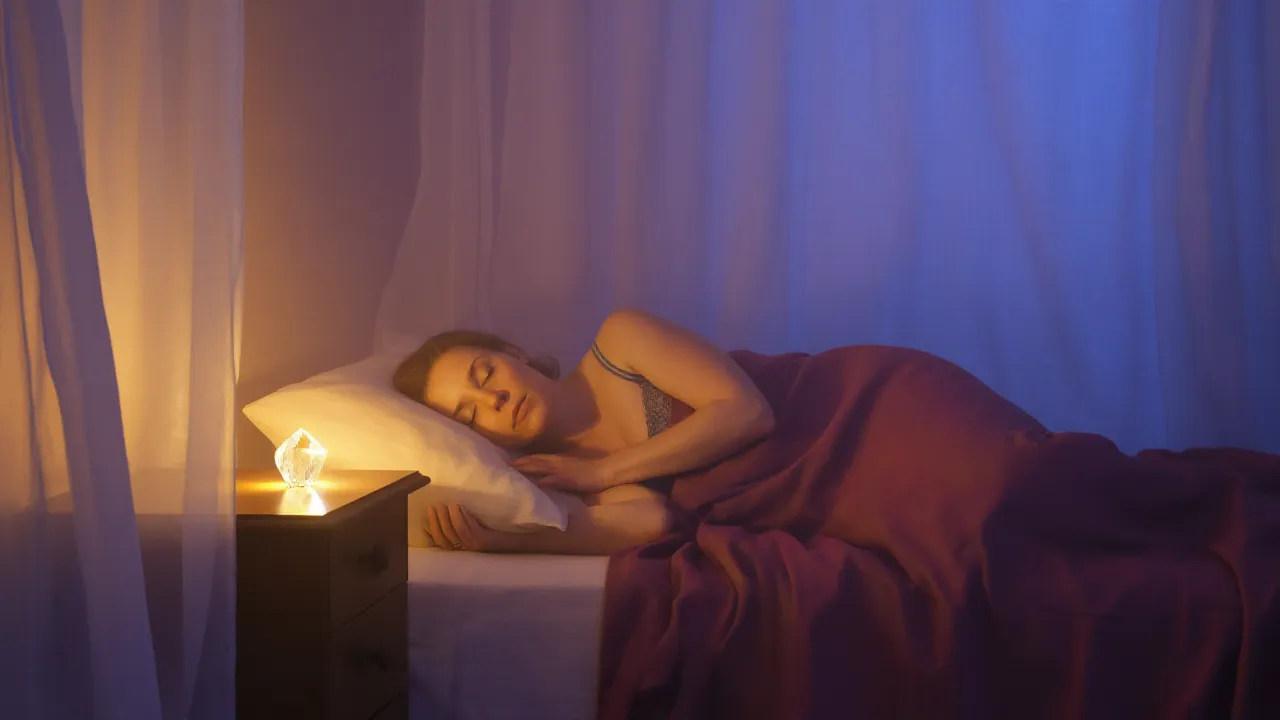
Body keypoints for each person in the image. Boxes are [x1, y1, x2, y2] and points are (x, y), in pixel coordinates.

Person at [392, 308, 776, 555]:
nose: (494, 399)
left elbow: (748, 411)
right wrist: (501, 540)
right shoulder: (559, 476)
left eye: (486, 372)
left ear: (514, 352)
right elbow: (652, 521)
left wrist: (602, 472)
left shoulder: (619, 341)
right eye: (470, 414)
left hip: (823, 419)